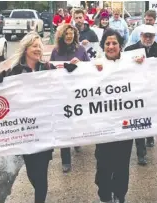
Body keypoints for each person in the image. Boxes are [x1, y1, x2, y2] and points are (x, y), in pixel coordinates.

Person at [0, 32, 57, 203]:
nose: (38, 49)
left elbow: (64, 82)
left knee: (42, 172)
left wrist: (72, 69)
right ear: (26, 49)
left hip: (44, 129)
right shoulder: (14, 72)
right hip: (25, 131)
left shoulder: (47, 68)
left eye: (40, 46)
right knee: (32, 173)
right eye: (34, 46)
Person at [93, 28, 142, 203]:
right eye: (108, 43)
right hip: (103, 126)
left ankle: (120, 194)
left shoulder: (130, 63)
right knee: (103, 163)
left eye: (114, 43)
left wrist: (142, 65)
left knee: (122, 164)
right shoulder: (94, 65)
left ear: (121, 46)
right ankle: (105, 195)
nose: (111, 46)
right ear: (103, 46)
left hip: (125, 126)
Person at [125, 24, 157, 166]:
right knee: (138, 122)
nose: (148, 38)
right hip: (137, 92)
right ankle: (141, 154)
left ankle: (150, 136)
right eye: (146, 35)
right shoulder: (130, 50)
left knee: (151, 117)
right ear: (140, 35)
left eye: (151, 36)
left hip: (155, 91)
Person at [50, 24, 90, 173]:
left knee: (76, 121)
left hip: (77, 93)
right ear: (61, 35)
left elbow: (89, 68)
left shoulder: (81, 50)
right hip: (62, 94)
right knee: (64, 125)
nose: (69, 36)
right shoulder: (56, 51)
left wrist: (81, 66)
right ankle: (65, 160)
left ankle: (77, 140)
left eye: (71, 33)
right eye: (66, 33)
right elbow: (50, 70)